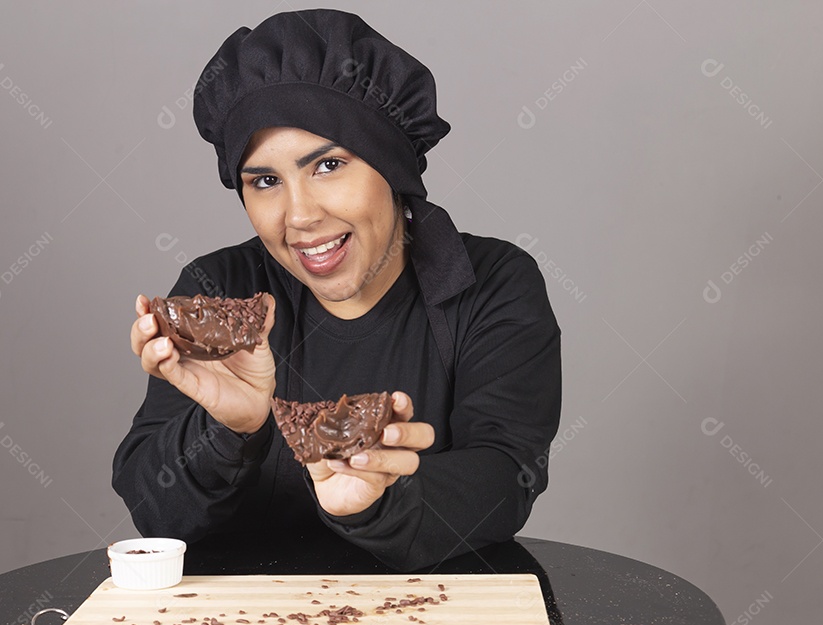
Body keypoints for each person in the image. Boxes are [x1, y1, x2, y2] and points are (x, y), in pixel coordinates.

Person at [113, 9, 561, 571]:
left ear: (391, 165)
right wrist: (229, 429)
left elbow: (505, 476)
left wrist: (373, 504)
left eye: (328, 165)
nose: (299, 216)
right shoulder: (223, 289)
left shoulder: (493, 283)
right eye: (266, 181)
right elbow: (156, 513)